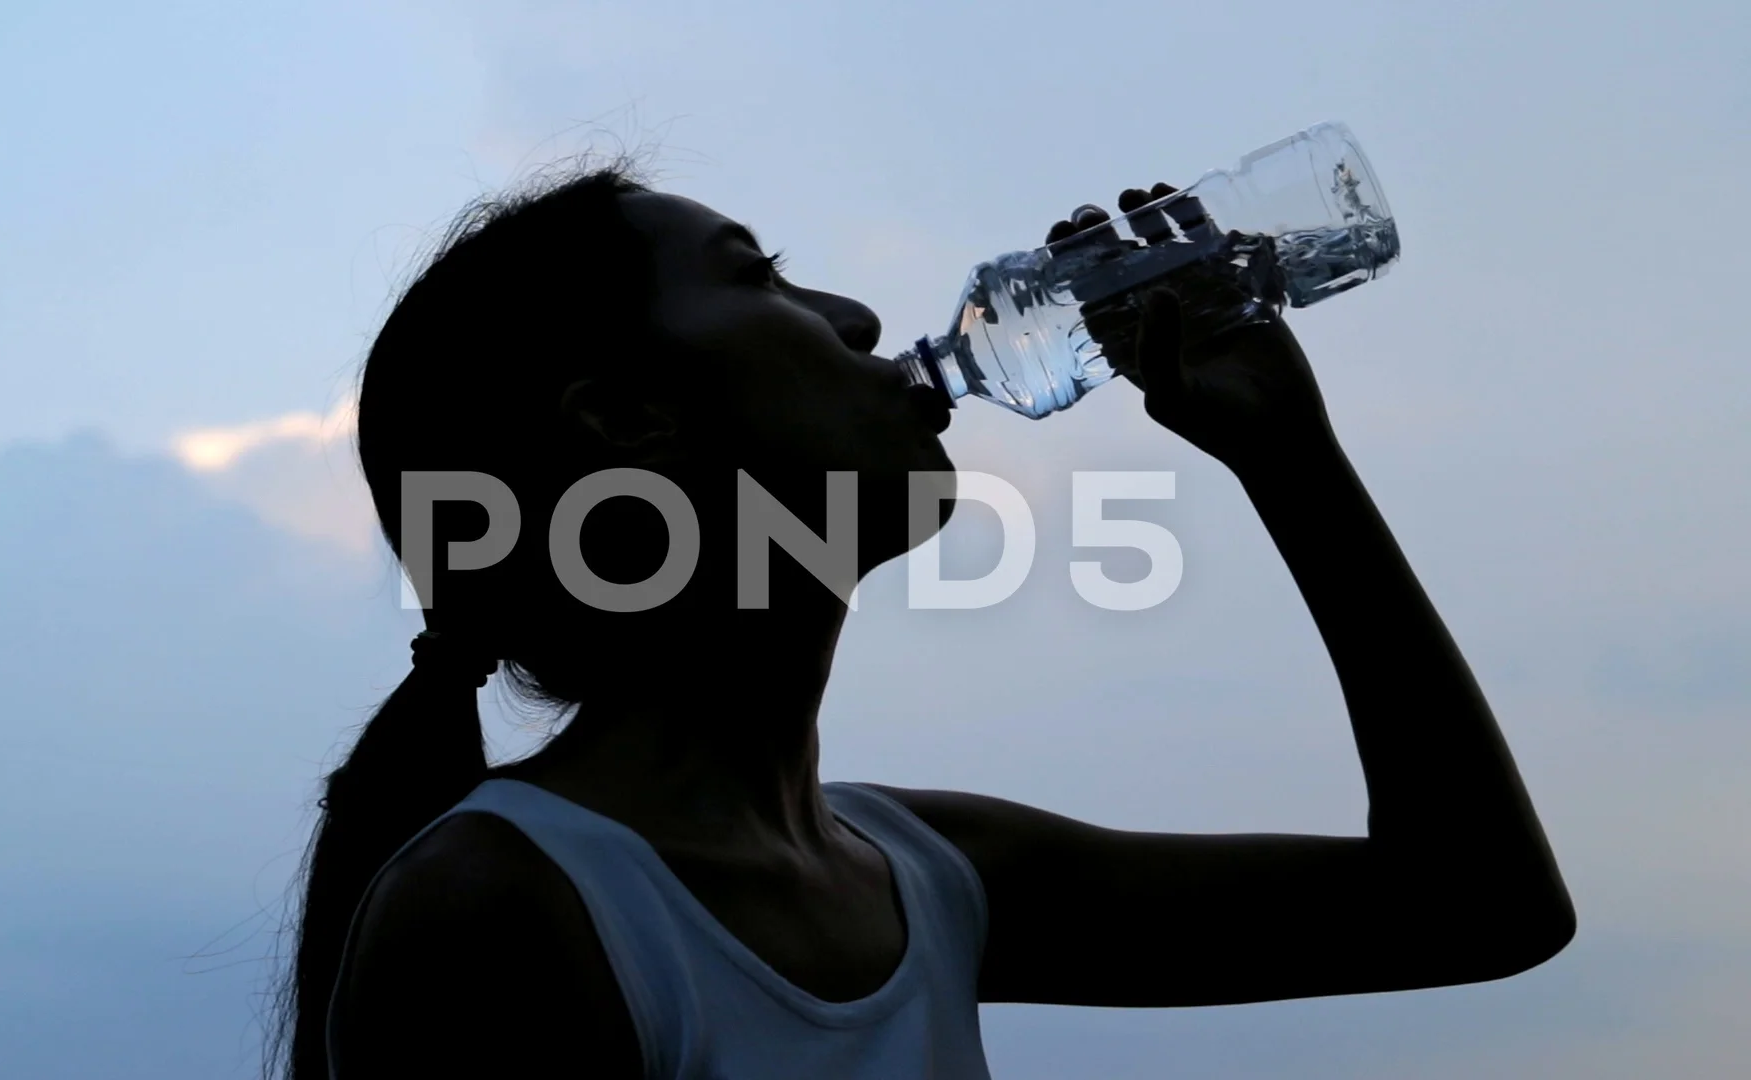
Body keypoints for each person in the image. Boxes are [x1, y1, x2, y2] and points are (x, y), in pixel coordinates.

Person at [269, 162, 1575, 1080]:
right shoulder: (504, 916)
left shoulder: (923, 873)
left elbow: (1478, 907)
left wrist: (1291, 458)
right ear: (623, 419)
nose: (852, 319)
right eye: (759, 278)